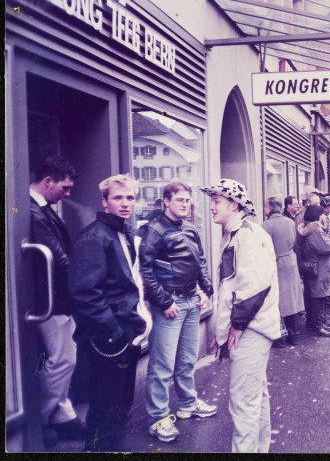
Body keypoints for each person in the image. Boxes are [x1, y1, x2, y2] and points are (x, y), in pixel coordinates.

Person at [200, 179, 281, 453]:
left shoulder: (248, 234)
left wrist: (235, 326)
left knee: (244, 401)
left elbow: (254, 288)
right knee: (254, 395)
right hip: (248, 328)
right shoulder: (235, 234)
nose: (211, 206)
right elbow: (231, 289)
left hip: (250, 329)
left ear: (233, 205)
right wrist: (221, 334)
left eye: (216, 201)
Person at [69, 174, 147, 451]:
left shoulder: (123, 232)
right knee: (105, 409)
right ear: (105, 201)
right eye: (118, 198)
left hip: (125, 330)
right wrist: (114, 332)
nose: (125, 203)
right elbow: (85, 293)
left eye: (130, 198)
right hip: (108, 336)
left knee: (120, 406)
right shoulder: (94, 236)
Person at [138, 181, 216, 442]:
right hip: (169, 304)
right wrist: (163, 302)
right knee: (162, 365)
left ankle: (187, 403)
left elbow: (200, 262)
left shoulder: (190, 229)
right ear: (166, 201)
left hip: (192, 300)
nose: (185, 204)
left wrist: (206, 290)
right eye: (179, 199)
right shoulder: (153, 230)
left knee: (186, 359)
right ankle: (158, 418)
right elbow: (145, 270)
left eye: (187, 200)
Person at [29, 156, 85, 447]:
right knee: (63, 359)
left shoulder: (39, 209)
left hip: (54, 298)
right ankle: (39, 420)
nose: (68, 193)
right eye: (64, 187)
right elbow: (58, 259)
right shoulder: (32, 211)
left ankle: (62, 415)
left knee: (65, 357)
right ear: (48, 181)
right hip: (49, 301)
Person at [261, 197, 305, 347]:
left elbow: (264, 249)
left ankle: (280, 337)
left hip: (276, 264)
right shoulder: (290, 222)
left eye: (265, 207)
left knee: (276, 301)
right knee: (291, 300)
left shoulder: (265, 225)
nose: (264, 209)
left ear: (270, 208)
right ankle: (295, 335)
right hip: (290, 262)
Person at [298, 204, 330, 337]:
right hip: (319, 267)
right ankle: (317, 325)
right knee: (318, 296)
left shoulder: (307, 227)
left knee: (313, 295)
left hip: (311, 265)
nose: (323, 217)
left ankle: (314, 320)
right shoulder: (316, 230)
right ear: (318, 216)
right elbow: (325, 248)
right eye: (322, 215)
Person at [294, 192, 321, 328]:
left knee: (313, 289)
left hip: (309, 258)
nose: (319, 205)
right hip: (306, 258)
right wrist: (300, 260)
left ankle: (313, 318)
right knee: (310, 290)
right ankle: (311, 319)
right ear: (308, 203)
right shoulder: (302, 217)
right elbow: (299, 241)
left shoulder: (312, 216)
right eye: (316, 203)